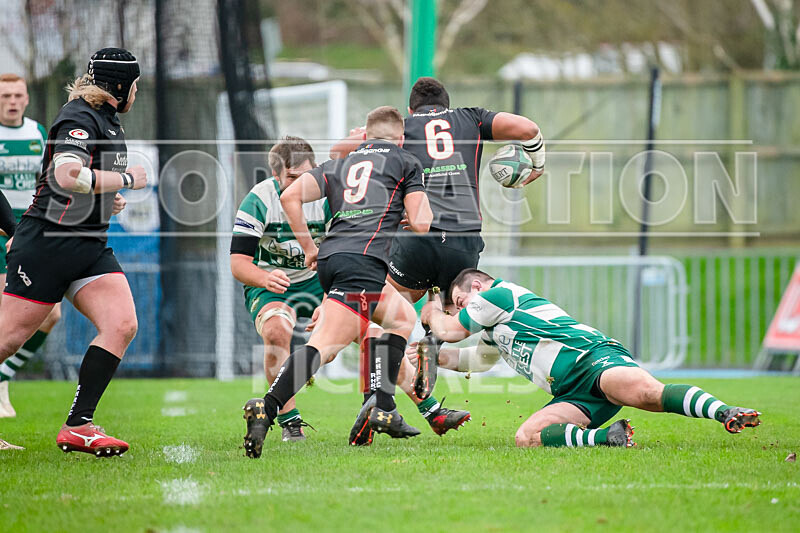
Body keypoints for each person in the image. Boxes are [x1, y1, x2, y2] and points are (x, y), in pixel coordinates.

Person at [331, 77, 545, 437]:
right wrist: (537, 162)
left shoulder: (402, 128)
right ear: (447, 103)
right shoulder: (471, 118)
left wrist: (363, 143)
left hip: (417, 236)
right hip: (464, 238)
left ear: (411, 108)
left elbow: (339, 151)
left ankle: (376, 401)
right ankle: (433, 340)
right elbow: (528, 128)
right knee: (449, 311)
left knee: (382, 315)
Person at [240, 106, 433, 458]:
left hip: (331, 260)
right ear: (401, 137)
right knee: (324, 348)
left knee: (401, 318)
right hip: (362, 261)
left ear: (366, 136)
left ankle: (383, 406)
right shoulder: (406, 161)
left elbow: (289, 197)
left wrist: (309, 249)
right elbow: (421, 224)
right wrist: (411, 209)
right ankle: (266, 408)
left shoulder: (339, 165)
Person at [416, 268, 761, 448]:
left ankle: (725, 412)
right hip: (571, 393)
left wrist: (431, 312)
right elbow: (477, 361)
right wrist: (430, 356)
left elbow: (451, 330)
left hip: (592, 360)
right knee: (527, 437)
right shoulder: (494, 329)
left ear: (477, 288)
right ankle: (608, 437)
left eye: (460, 303)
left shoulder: (497, 295)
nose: (462, 311)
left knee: (648, 395)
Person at [0, 48, 146, 456]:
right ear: (120, 86)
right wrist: (126, 179)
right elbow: (67, 176)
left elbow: (86, 184)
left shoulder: (107, 119)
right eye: (135, 84)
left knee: (121, 324)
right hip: (48, 245)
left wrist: (107, 198)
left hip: (89, 245)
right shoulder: (79, 116)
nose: (137, 92)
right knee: (7, 339)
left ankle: (78, 425)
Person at [230, 136, 330, 442]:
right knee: (276, 331)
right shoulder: (258, 200)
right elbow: (238, 263)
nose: (301, 185)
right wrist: (264, 279)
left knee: (368, 327)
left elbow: (343, 256)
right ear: (276, 175)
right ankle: (290, 420)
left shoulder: (328, 198)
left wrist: (329, 299)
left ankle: (385, 408)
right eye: (292, 178)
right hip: (274, 285)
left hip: (319, 279)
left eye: (307, 177)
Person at [0, 73, 63, 418]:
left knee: (51, 315)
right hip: (2, 234)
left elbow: (50, 180)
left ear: (26, 99)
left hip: (32, 231)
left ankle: (3, 375)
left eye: (17, 95)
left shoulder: (38, 133)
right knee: (6, 316)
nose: (12, 101)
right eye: (5, 95)